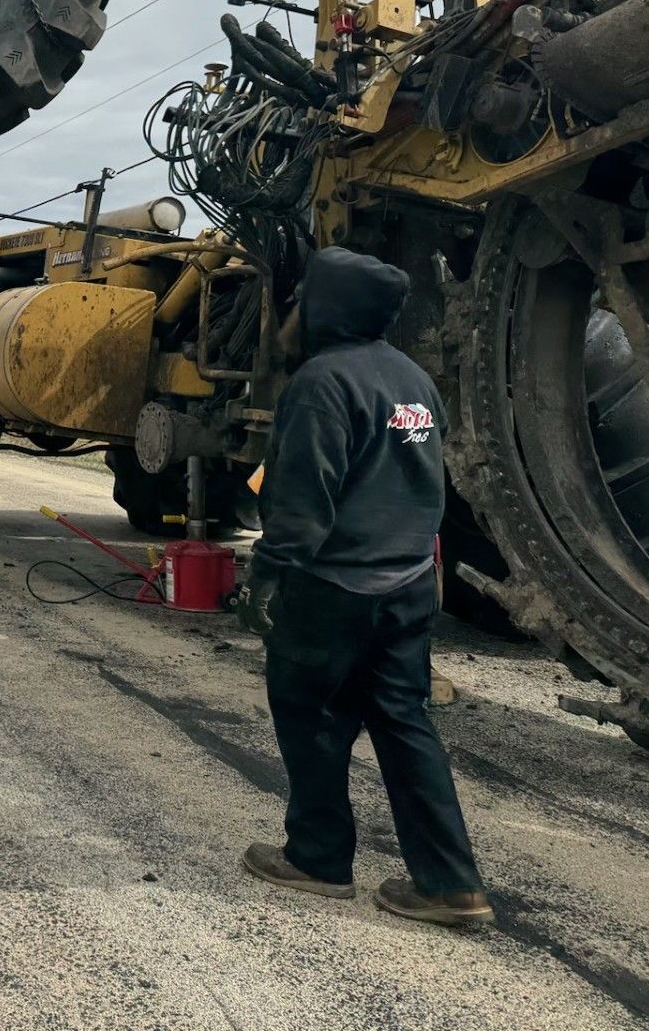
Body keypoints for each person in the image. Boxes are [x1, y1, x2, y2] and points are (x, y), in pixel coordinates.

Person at [236, 246, 492, 928]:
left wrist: (266, 574)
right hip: (407, 584)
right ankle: (449, 883)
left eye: (304, 300)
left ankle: (317, 859)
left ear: (326, 307)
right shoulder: (412, 379)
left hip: (333, 587)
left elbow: (301, 497)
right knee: (405, 725)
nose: (294, 311)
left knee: (313, 716)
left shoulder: (322, 382)